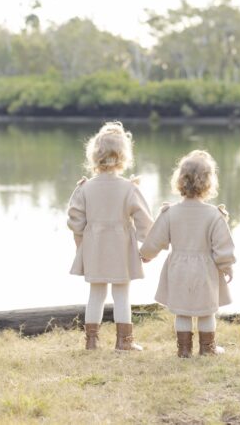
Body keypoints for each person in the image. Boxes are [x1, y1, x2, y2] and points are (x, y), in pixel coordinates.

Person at [67, 121, 154, 351]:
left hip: (94, 246)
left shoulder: (85, 187)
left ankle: (92, 341)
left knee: (96, 293)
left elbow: (75, 219)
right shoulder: (129, 188)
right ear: (124, 156)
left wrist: (80, 245)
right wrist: (148, 250)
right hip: (121, 247)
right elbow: (145, 221)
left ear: (94, 156)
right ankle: (123, 341)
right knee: (121, 294)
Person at [140, 150, 235, 358]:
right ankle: (207, 348)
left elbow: (156, 238)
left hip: (178, 268)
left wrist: (147, 254)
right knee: (206, 311)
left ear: (180, 180)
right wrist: (226, 265)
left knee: (182, 310)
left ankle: (183, 350)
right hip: (205, 268)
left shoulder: (171, 212)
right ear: (209, 183)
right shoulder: (213, 215)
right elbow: (222, 245)